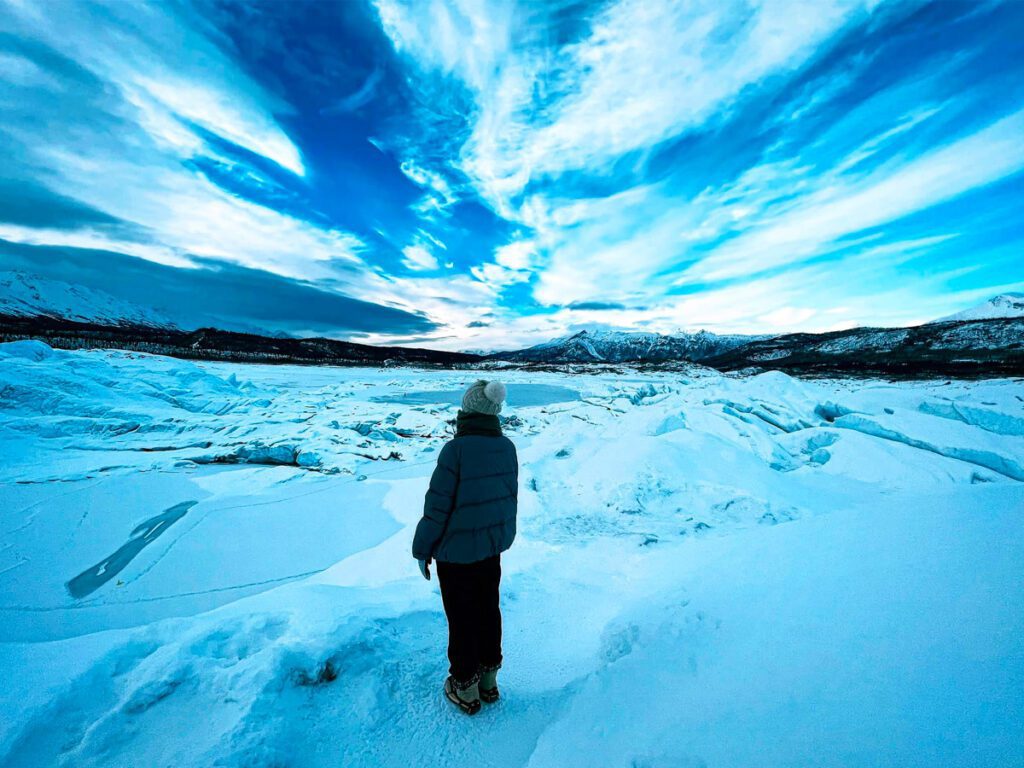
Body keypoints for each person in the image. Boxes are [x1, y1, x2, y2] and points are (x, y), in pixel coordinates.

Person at [412, 379, 519, 715]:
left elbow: (437, 507)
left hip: (456, 555)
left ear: (468, 410)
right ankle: (488, 681)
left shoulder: (455, 451)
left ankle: (465, 687)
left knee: (461, 618)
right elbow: (505, 502)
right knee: (488, 610)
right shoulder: (507, 447)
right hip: (490, 550)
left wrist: (422, 548)